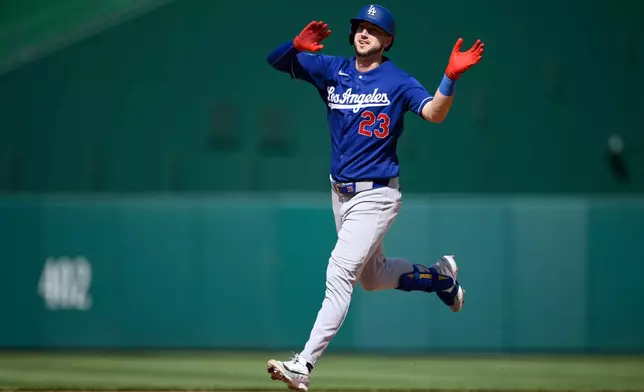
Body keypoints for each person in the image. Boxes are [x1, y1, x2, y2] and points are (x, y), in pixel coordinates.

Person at [264, 4, 484, 391]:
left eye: (373, 29)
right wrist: (294, 46)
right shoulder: (333, 69)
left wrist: (448, 79)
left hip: (377, 194)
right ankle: (441, 279)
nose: (364, 33)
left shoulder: (397, 80)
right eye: (360, 27)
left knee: (340, 271)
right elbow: (275, 62)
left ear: (387, 40)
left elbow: (433, 113)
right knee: (371, 276)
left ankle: (304, 364)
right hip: (341, 193)